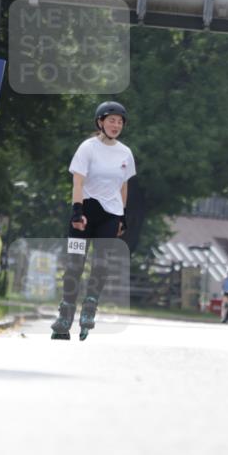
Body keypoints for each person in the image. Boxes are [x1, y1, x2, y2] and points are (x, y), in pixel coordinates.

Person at [50, 101, 135, 340]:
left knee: (101, 262)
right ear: (100, 122)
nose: (116, 125)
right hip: (85, 212)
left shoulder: (125, 153)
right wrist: (77, 212)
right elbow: (77, 181)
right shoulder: (88, 147)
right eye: (111, 120)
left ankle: (89, 307)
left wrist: (123, 217)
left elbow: (123, 185)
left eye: (120, 121)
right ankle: (65, 314)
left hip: (110, 215)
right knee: (75, 264)